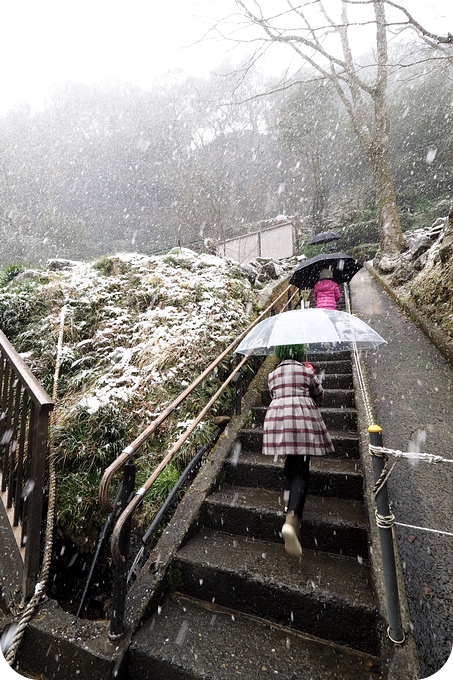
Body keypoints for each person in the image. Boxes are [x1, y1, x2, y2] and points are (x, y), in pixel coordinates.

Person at [262, 344, 334, 558]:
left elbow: (272, 393)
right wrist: (310, 372)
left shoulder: (272, 375)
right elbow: (319, 394)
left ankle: (287, 499)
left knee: (290, 462)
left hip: (279, 421)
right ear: (299, 352)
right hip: (302, 420)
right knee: (302, 468)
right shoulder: (306, 371)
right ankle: (292, 520)